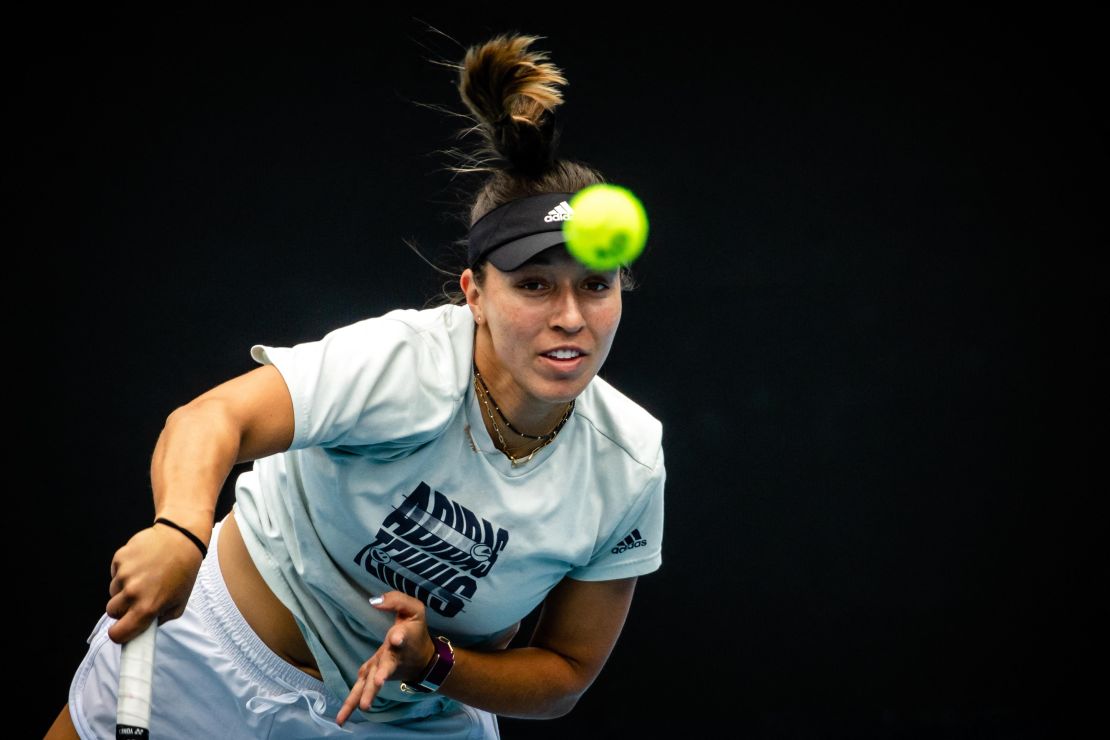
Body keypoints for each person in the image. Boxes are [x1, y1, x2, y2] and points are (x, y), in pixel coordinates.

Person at [47, 31, 665, 739]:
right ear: (474, 294)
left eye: (595, 286)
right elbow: (212, 418)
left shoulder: (630, 464)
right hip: (212, 651)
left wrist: (435, 662)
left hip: (407, 717)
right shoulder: (406, 361)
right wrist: (179, 532)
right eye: (532, 285)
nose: (569, 317)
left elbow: (563, 675)